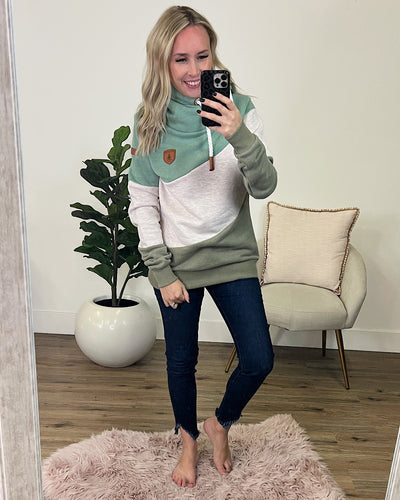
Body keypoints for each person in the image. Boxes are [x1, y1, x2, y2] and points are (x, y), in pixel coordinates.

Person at [128, 5, 277, 488]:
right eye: (181, 59)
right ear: (163, 62)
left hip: (233, 256)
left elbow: (264, 186)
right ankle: (189, 441)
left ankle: (220, 424)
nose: (194, 70)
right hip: (178, 266)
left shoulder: (240, 109)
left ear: (214, 55)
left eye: (203, 56)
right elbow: (143, 203)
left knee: (259, 358)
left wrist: (239, 135)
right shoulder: (149, 123)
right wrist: (161, 272)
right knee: (181, 361)